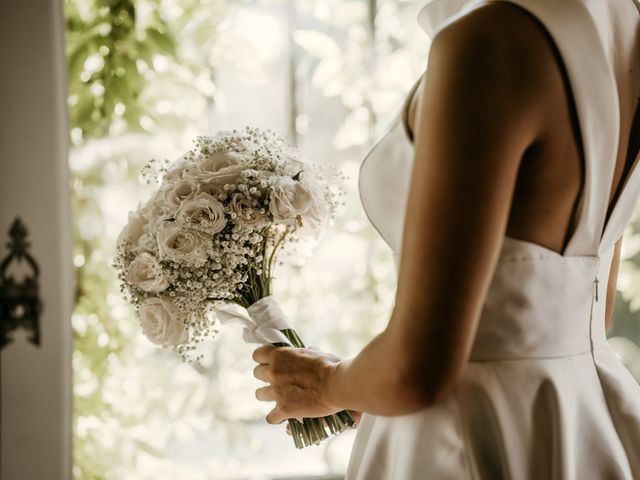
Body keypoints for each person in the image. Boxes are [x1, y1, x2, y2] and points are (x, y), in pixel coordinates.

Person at [252, 0, 640, 477]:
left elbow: (417, 371)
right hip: (583, 420)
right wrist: (366, 383)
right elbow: (580, 310)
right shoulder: (624, 21)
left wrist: (329, 383)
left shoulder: (490, 40)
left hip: (467, 437)